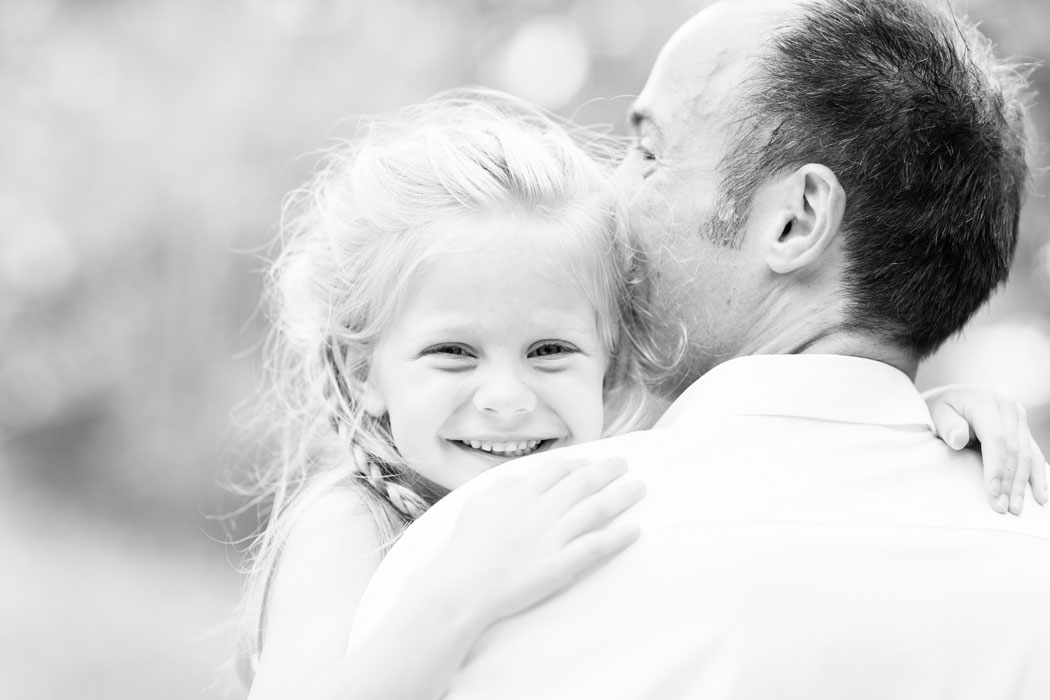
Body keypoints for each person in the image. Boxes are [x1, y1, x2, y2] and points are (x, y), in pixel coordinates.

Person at [345, 1, 1050, 698]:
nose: (610, 199)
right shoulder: (1029, 557)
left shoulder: (483, 560)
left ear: (796, 219)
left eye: (650, 153)